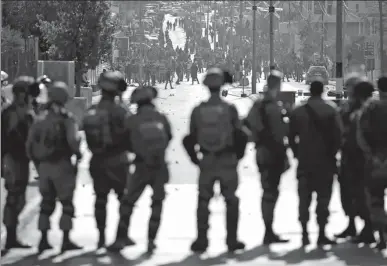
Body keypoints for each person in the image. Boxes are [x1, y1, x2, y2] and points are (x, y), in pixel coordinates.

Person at [183, 67, 248, 253]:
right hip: (227, 160)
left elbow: (190, 138)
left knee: (203, 200)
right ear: (221, 86)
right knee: (231, 200)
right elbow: (241, 135)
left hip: (207, 160)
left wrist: (196, 159)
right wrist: (237, 156)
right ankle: (232, 240)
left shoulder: (198, 110)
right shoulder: (230, 109)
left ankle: (201, 240)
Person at [108, 86, 172, 254]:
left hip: (141, 167)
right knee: (157, 203)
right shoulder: (161, 117)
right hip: (159, 167)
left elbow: (124, 142)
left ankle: (121, 238)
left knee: (128, 202)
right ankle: (151, 240)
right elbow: (169, 137)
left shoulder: (132, 120)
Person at [26, 81, 82, 253]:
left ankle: (43, 240)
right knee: (66, 204)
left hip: (44, 167)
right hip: (62, 165)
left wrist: (38, 163)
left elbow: (29, 146)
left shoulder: (39, 119)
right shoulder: (66, 119)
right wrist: (78, 153)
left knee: (46, 204)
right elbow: (72, 142)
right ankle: (65, 240)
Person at [288, 79, 343, 246]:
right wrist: (332, 154)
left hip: (305, 161)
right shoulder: (330, 110)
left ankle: (304, 233)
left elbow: (290, 136)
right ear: (323, 91)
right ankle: (321, 234)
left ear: (310, 91)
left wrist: (297, 153)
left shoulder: (299, 111)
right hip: (325, 162)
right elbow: (339, 136)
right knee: (323, 198)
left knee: (304, 199)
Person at [83, 71, 131, 249]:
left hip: (97, 160)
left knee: (100, 200)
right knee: (124, 199)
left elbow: (86, 134)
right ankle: (121, 235)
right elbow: (131, 133)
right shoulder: (120, 111)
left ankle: (101, 237)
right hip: (118, 159)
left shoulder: (92, 110)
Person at [244, 70, 290, 245]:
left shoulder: (258, 105)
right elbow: (281, 132)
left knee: (268, 191)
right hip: (273, 151)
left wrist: (257, 138)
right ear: (278, 85)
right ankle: (269, 231)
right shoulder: (273, 106)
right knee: (271, 192)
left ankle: (268, 230)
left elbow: (247, 125)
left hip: (262, 151)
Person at [335, 74, 375, 243]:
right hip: (348, 156)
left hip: (361, 158)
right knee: (347, 192)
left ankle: (368, 228)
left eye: (350, 87)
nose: (348, 90)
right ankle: (351, 224)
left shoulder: (367, 109)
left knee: (362, 193)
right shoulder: (347, 107)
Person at [1, 76, 36, 251]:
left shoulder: (25, 111)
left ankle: (12, 237)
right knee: (14, 198)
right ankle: (10, 238)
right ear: (21, 94)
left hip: (22, 160)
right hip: (12, 160)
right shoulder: (11, 112)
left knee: (19, 198)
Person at [357, 76, 387, 250]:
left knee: (375, 201)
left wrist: (371, 155)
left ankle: (382, 237)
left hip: (375, 162)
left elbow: (361, 135)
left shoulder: (370, 108)